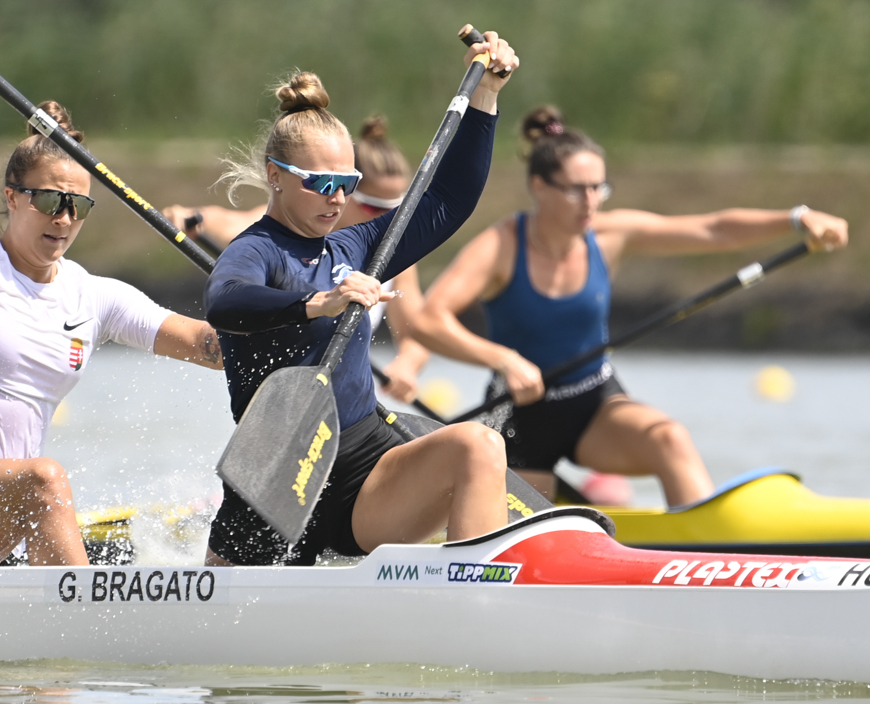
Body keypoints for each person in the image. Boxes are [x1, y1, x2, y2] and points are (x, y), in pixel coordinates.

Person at [0, 36, 223, 567]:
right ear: (13, 197)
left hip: (7, 526)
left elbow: (205, 345)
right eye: (48, 200)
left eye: (77, 206)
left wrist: (292, 319)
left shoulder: (95, 295)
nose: (62, 219)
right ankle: (82, 633)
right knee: (46, 477)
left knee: (120, 550)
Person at [412, 105, 849, 506]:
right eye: (576, 190)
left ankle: (704, 554)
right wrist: (502, 359)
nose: (592, 202)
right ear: (539, 187)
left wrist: (796, 218)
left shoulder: (609, 234)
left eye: (598, 188)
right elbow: (428, 319)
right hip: (519, 417)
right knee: (529, 533)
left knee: (669, 438)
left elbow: (713, 230)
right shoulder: (502, 247)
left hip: (595, 401)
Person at [203, 28, 519, 566]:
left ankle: (472, 604)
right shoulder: (255, 251)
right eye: (320, 183)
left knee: (479, 444)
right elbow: (225, 302)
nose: (338, 198)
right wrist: (316, 304)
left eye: (346, 182)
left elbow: (447, 199)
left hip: (362, 470)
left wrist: (486, 96)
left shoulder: (358, 244)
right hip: (278, 470)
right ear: (275, 177)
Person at [163, 117, 431, 403]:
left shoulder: (390, 255)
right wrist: (192, 217)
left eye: (395, 210)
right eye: (371, 206)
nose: (385, 220)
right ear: (343, 188)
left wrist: (407, 366)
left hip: (338, 396)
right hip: (279, 394)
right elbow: (230, 223)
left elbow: (418, 332)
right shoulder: (288, 236)